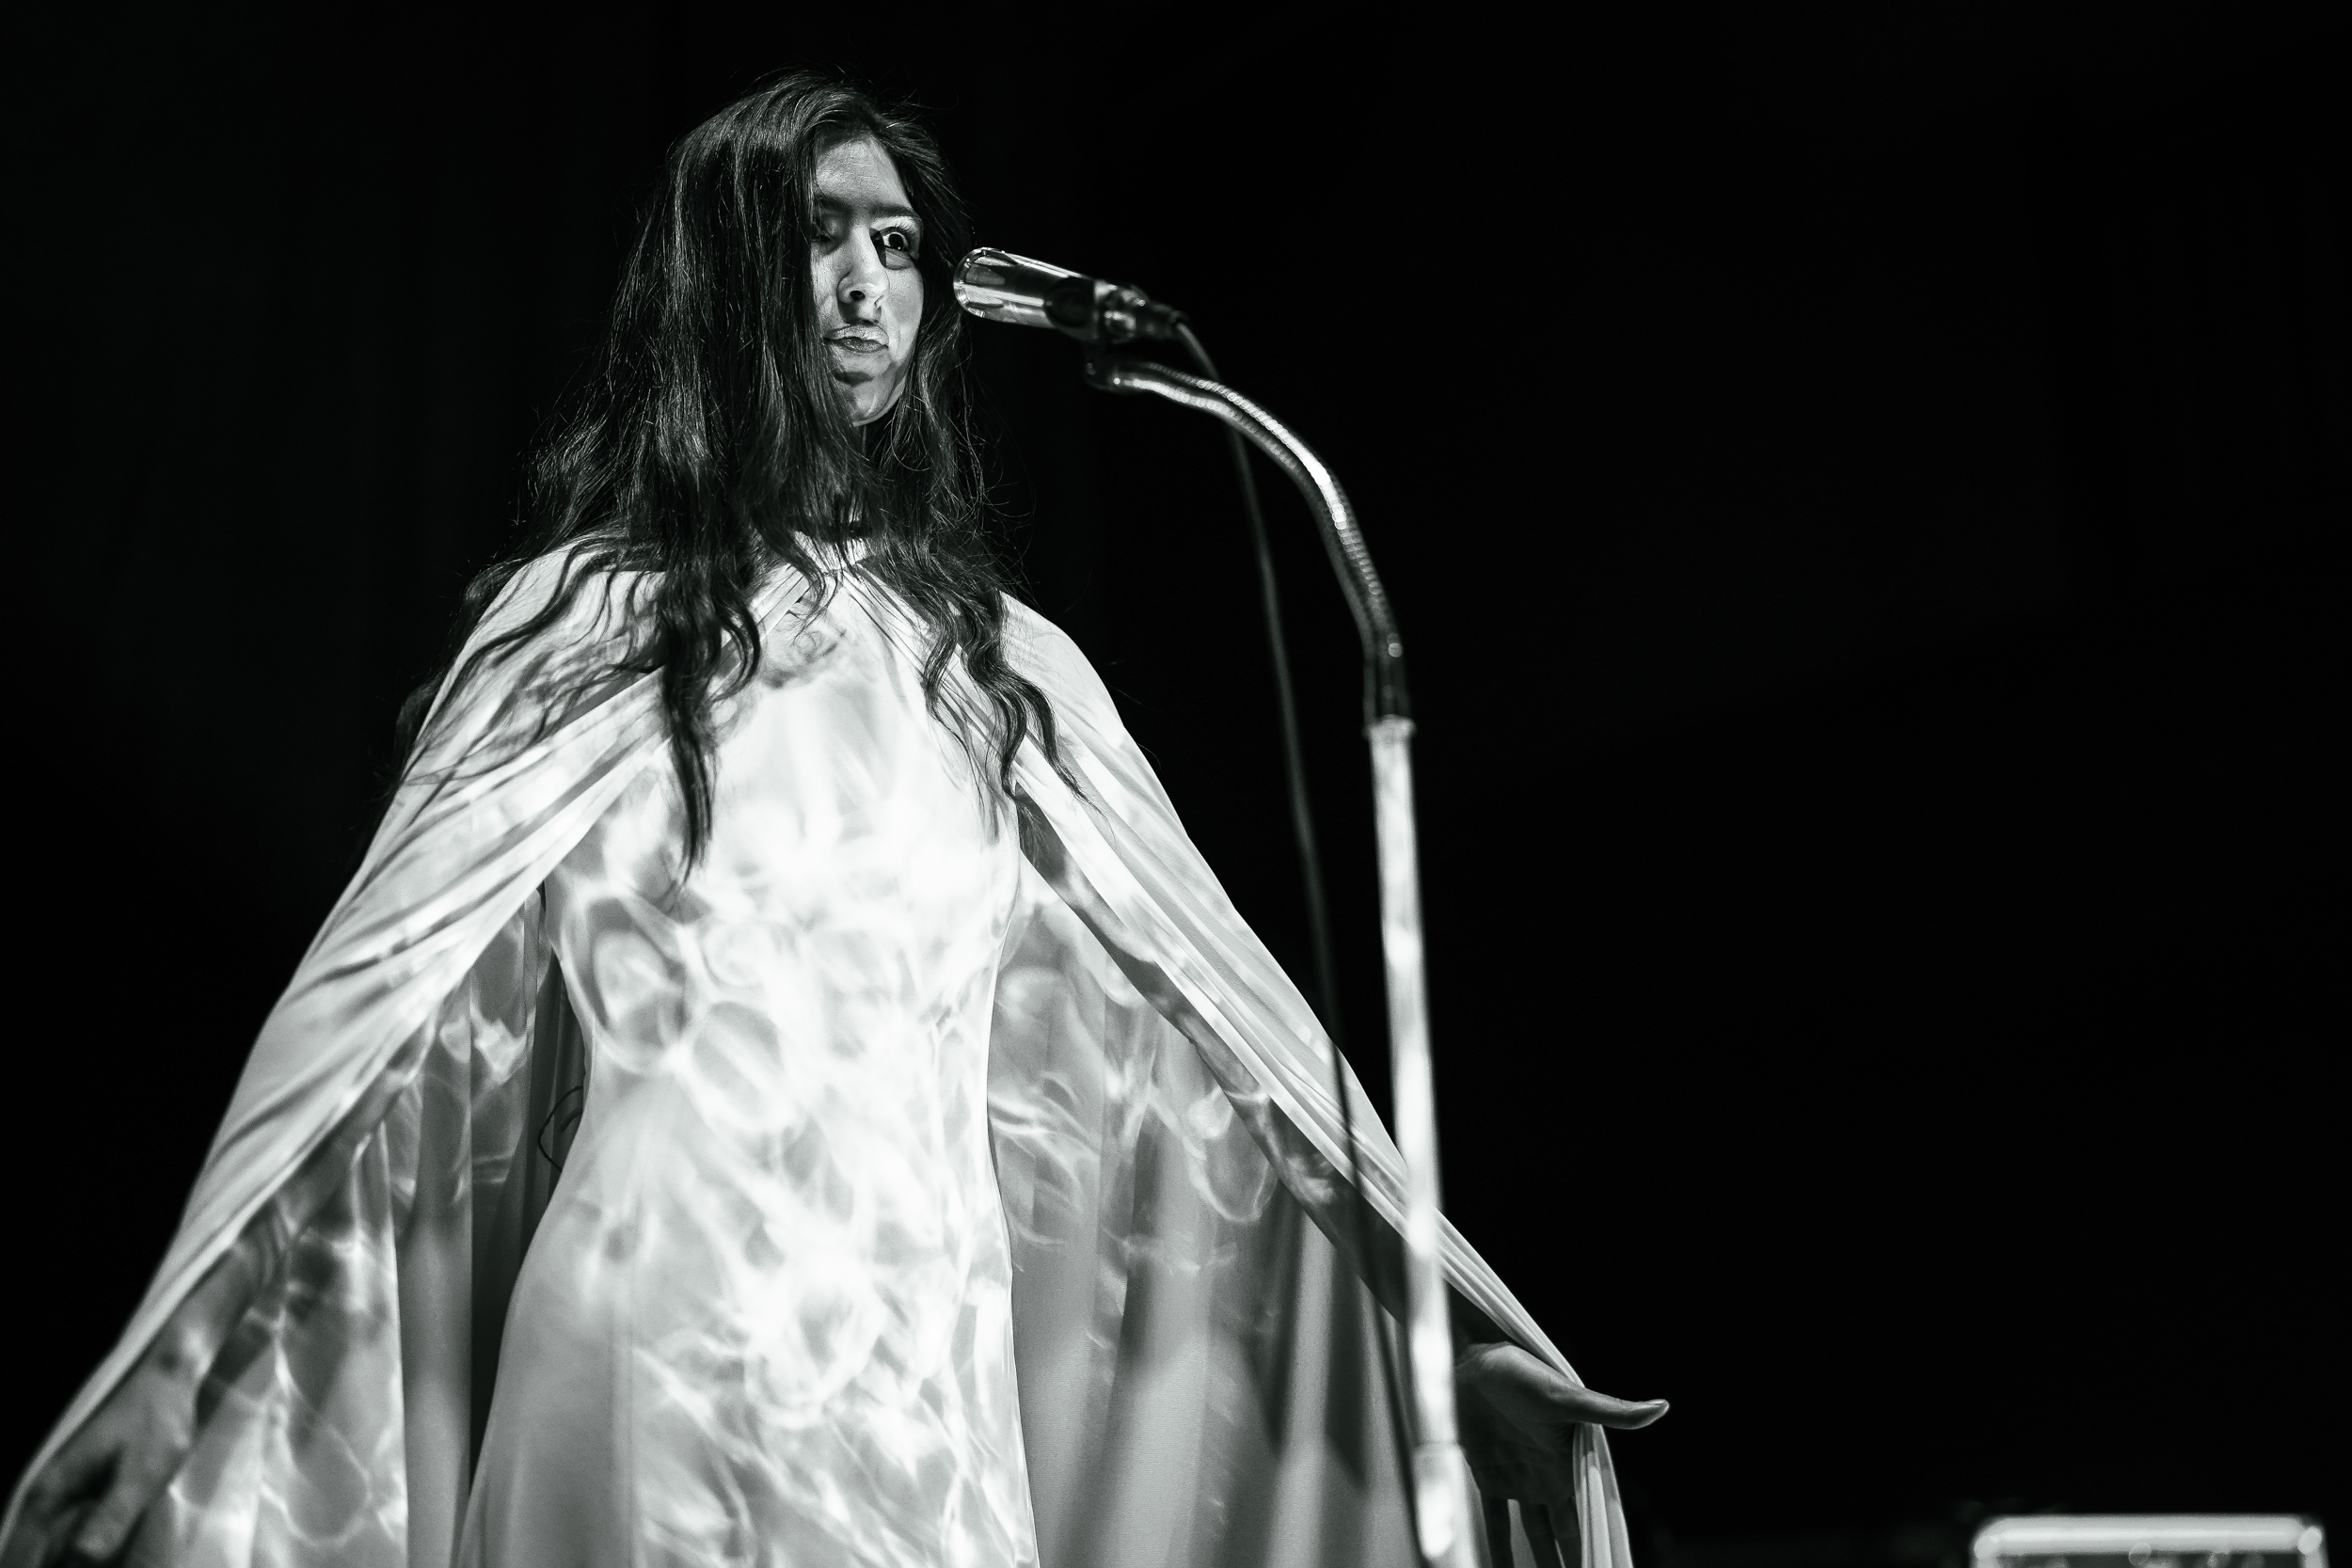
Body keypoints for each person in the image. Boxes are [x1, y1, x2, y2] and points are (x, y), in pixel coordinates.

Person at [0, 72, 1664, 1568]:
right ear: (724, 283)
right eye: (814, 238)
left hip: (930, 1396)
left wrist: (1429, 1336)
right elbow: (373, 1030)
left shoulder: (1006, 675)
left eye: (897, 244)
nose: (866, 286)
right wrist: (192, 1350)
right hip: (655, 1355)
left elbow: (1211, 1051)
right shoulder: (588, 624)